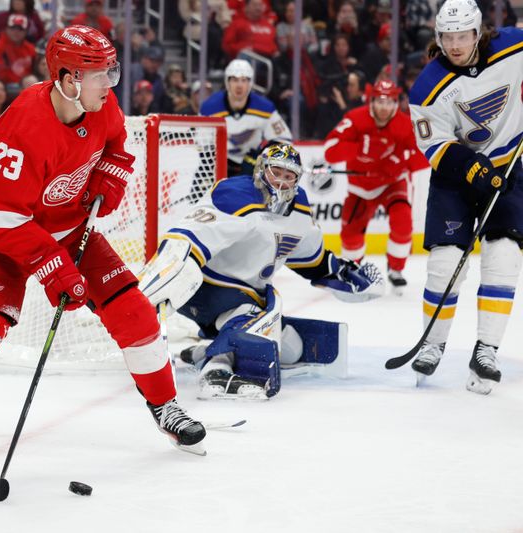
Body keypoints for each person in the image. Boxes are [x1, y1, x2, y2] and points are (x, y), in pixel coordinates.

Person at [0, 25, 207, 470]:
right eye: (101, 76)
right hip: (5, 232)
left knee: (134, 311)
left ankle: (165, 406)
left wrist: (111, 174)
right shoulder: (24, 126)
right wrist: (56, 271)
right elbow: (2, 219)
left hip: (70, 227)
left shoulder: (100, 104)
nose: (111, 85)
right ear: (70, 80)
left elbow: (116, 142)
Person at [139, 143, 384, 399]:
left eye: (289, 176)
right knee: (263, 307)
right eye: (276, 172)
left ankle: (203, 352)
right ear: (260, 170)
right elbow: (186, 238)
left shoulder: (299, 210)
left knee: (290, 347)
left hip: (235, 299)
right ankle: (216, 369)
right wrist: (167, 272)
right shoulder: (237, 193)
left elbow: (311, 260)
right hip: (202, 287)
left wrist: (340, 271)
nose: (281, 182)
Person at [407, 0, 523, 394]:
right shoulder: (427, 85)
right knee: (444, 261)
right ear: (439, 38)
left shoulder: (513, 46)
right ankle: (432, 343)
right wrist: (472, 169)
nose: (455, 45)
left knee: (504, 255)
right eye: (448, 37)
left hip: (509, 167)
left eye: (463, 36)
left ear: (478, 33)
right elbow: (435, 145)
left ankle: (486, 350)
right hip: (455, 176)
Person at [323, 79, 428, 293]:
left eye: (389, 102)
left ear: (396, 103)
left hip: (392, 183)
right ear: (371, 101)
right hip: (360, 186)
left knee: (403, 222)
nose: (384, 107)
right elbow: (330, 150)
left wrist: (399, 162)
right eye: (380, 101)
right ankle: (352, 269)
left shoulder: (405, 123)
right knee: (350, 235)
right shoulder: (354, 119)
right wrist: (359, 149)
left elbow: (425, 154)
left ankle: (396, 269)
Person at [200, 59, 290, 176]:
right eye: (235, 80)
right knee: (200, 191)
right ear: (227, 82)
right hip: (216, 167)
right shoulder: (209, 108)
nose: (239, 85)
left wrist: (262, 157)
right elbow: (202, 145)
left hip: (251, 167)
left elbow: (284, 140)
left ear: (250, 83)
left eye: (244, 80)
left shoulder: (265, 108)